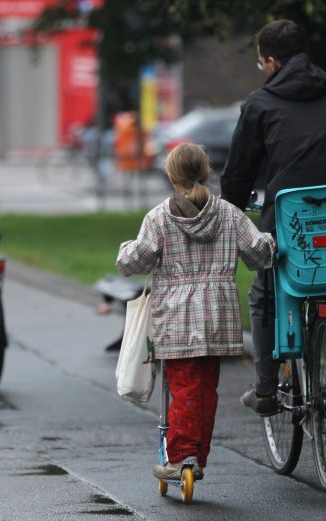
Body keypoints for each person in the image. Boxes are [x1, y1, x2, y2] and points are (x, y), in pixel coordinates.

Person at [220, 19, 326, 439]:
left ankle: (267, 390)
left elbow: (237, 176)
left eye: (260, 64)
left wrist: (235, 207)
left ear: (271, 61)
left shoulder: (259, 106)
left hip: (286, 231)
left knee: (264, 294)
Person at [116, 143, 275, 480]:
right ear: (207, 172)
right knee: (204, 389)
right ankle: (196, 455)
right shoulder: (230, 214)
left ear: (171, 176)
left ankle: (182, 457)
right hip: (219, 316)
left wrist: (125, 249)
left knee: (185, 387)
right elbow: (259, 254)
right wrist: (273, 240)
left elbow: (133, 262)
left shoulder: (159, 217)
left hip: (176, 317)